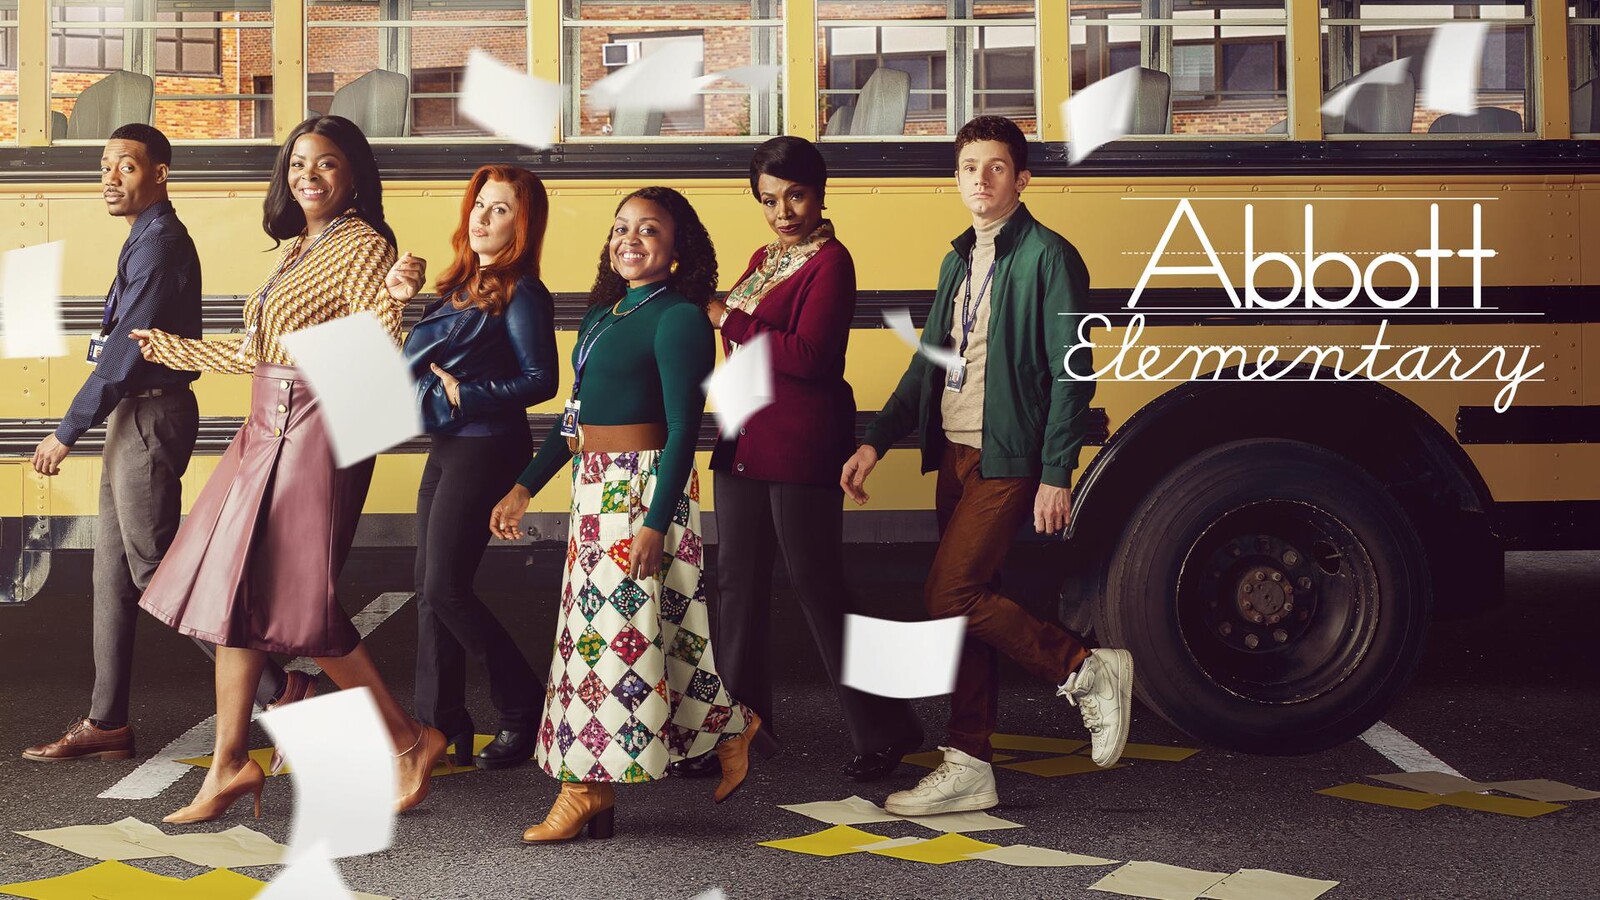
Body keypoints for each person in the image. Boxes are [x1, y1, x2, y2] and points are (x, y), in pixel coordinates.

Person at [130, 115, 444, 824]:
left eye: (327, 164)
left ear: (355, 176)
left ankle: (408, 738)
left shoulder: (363, 244)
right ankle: (230, 762)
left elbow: (378, 339)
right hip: (267, 421)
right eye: (299, 162)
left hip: (318, 426)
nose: (309, 175)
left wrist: (399, 295)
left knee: (300, 604)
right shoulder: (301, 247)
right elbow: (259, 353)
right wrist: (177, 350)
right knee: (234, 593)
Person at [840, 116, 1134, 816]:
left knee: (951, 594)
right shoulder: (957, 261)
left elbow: (1072, 373)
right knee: (965, 612)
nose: (982, 178)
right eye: (970, 166)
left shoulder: (1048, 258)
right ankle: (970, 761)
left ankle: (1085, 668)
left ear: (1022, 179)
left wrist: (1057, 472)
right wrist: (877, 438)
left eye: (996, 166)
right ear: (957, 178)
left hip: (1007, 456)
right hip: (955, 451)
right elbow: (930, 364)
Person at [22, 124, 313, 765]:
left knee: (158, 569)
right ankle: (107, 722)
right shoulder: (143, 239)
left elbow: (129, 347)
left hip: (151, 415)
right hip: (132, 414)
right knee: (112, 574)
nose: (110, 176)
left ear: (160, 173)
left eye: (126, 165)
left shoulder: (159, 243)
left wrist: (67, 429)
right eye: (105, 165)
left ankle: (283, 689)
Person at [490, 186, 762, 843]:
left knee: (607, 648)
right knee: (640, 641)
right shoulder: (603, 317)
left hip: (643, 491)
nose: (629, 240)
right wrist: (524, 486)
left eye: (648, 231)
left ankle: (582, 788)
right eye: (620, 230)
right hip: (594, 490)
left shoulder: (680, 319)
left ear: (677, 249)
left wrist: (652, 523)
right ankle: (728, 726)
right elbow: (575, 423)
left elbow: (681, 431)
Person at [668, 136, 922, 785]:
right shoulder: (764, 258)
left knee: (819, 588)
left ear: (819, 191)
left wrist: (730, 318)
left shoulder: (831, 262)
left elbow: (811, 357)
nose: (783, 212)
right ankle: (741, 733)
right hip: (746, 442)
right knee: (737, 591)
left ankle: (887, 727)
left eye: (795, 196)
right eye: (769, 200)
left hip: (803, 444)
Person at [399, 165, 558, 770]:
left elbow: (542, 379)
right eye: (480, 206)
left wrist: (470, 394)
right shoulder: (461, 285)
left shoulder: (522, 291)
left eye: (500, 210)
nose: (483, 218)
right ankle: (440, 727)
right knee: (428, 589)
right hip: (449, 444)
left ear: (523, 224)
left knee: (445, 586)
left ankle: (523, 709)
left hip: (487, 443)